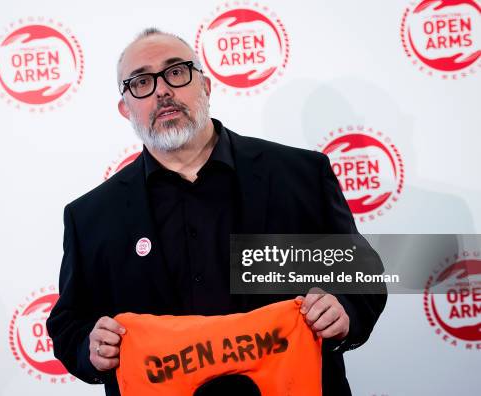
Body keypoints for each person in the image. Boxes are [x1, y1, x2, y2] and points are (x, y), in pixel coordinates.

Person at [46, 28, 387, 396]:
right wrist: (90, 348)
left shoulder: (300, 175)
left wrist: (343, 310)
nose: (162, 90)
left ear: (206, 86)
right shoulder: (91, 216)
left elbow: (362, 277)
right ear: (125, 107)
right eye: (142, 82)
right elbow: (69, 324)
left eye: (176, 72)